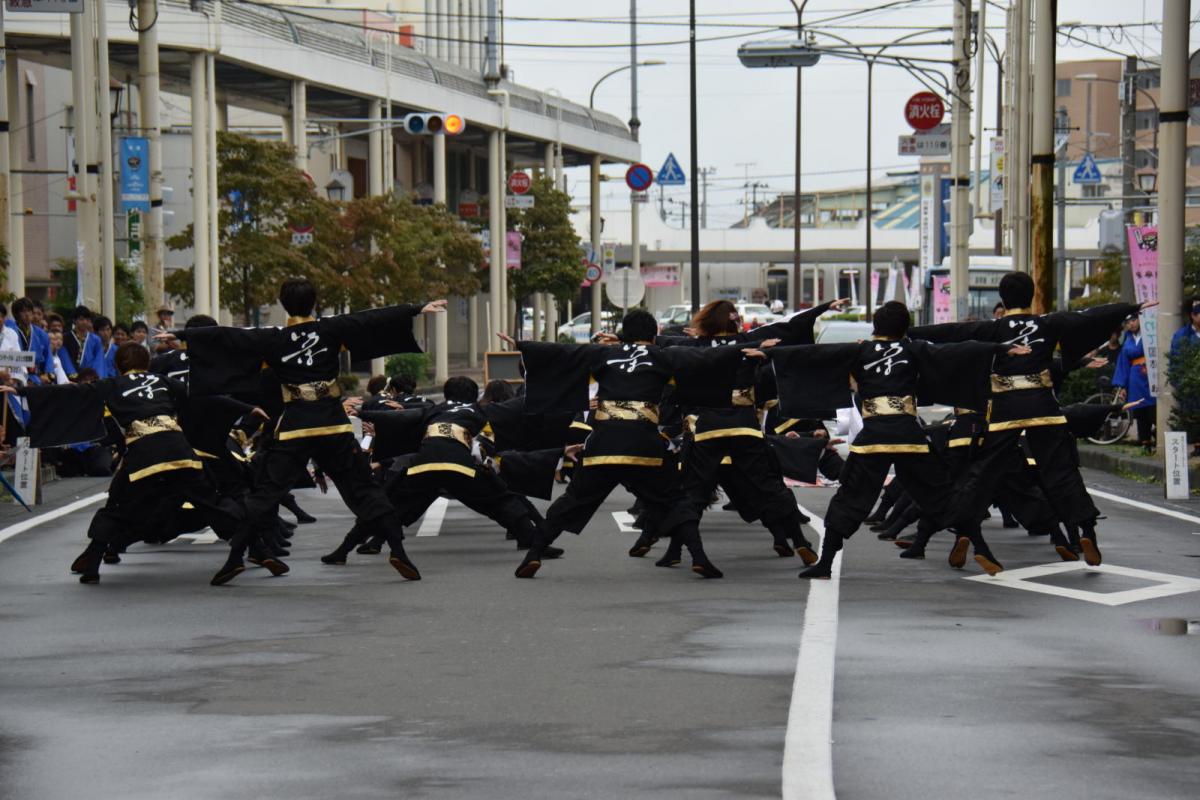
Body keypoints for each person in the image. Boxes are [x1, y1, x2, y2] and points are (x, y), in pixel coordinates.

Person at [162, 278, 442, 585]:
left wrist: (183, 336)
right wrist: (416, 308)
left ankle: (234, 558)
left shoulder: (274, 337)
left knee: (266, 493)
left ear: (282, 303)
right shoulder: (330, 328)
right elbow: (370, 317)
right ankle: (399, 551)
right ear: (315, 301)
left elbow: (229, 337)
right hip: (332, 422)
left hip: (296, 424)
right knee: (364, 488)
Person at [764, 300, 1023, 579]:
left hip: (874, 436)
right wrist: (1000, 348)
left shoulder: (860, 350)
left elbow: (814, 354)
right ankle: (981, 547)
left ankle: (825, 563)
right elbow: (956, 351)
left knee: (849, 498)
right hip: (909, 435)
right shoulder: (914, 349)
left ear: (876, 326)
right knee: (943, 495)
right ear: (904, 328)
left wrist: (772, 353)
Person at [908, 272, 1146, 567]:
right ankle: (1086, 529)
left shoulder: (991, 328)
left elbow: (951, 333)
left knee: (983, 473)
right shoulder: (1047, 323)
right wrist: (1128, 308)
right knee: (1061, 470)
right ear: (1032, 295)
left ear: (1002, 298)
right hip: (1042, 405)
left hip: (1005, 409)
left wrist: (908, 333)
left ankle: (970, 535)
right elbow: (1087, 317)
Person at [505, 309, 753, 580]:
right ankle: (699, 557)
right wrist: (748, 347)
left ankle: (534, 555)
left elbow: (563, 352)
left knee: (572, 500)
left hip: (604, 443)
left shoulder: (603, 354)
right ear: (654, 333)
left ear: (624, 332)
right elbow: (705, 357)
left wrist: (523, 345)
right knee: (676, 500)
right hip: (643, 443)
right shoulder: (662, 356)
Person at [7, 342, 284, 584]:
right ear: (147, 364)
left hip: (144, 453)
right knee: (211, 501)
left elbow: (68, 393)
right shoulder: (163, 381)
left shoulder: (112, 385)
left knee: (118, 504)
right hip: (179, 449)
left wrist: (21, 390)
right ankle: (256, 550)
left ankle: (92, 564)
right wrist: (246, 409)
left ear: (117, 366)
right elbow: (204, 398)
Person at [1112, 314, 1155, 449]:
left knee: (1154, 408)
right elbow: (1123, 364)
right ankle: (1145, 442)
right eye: (1128, 322)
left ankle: (1158, 434)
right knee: (1140, 409)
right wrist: (1122, 385)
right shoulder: (1128, 340)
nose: (1131, 324)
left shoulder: (1150, 334)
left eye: (1134, 320)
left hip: (1151, 373)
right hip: (1135, 377)